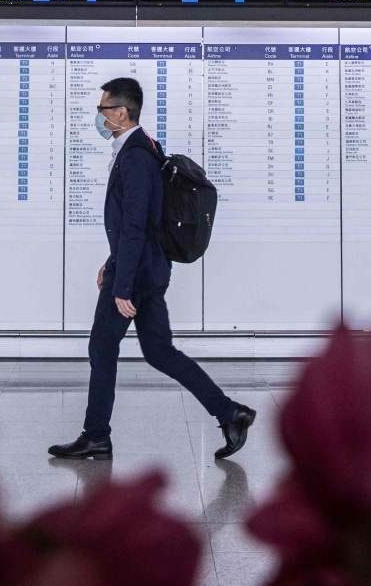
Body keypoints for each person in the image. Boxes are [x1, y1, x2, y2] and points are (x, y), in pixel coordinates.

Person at [49, 77, 256, 463]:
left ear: (120, 113)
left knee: (102, 348)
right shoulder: (142, 149)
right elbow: (136, 223)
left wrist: (122, 284)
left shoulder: (137, 157)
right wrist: (112, 262)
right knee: (159, 351)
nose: (98, 116)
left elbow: (135, 225)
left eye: (102, 109)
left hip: (138, 274)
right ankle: (230, 413)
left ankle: (96, 437)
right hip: (146, 267)